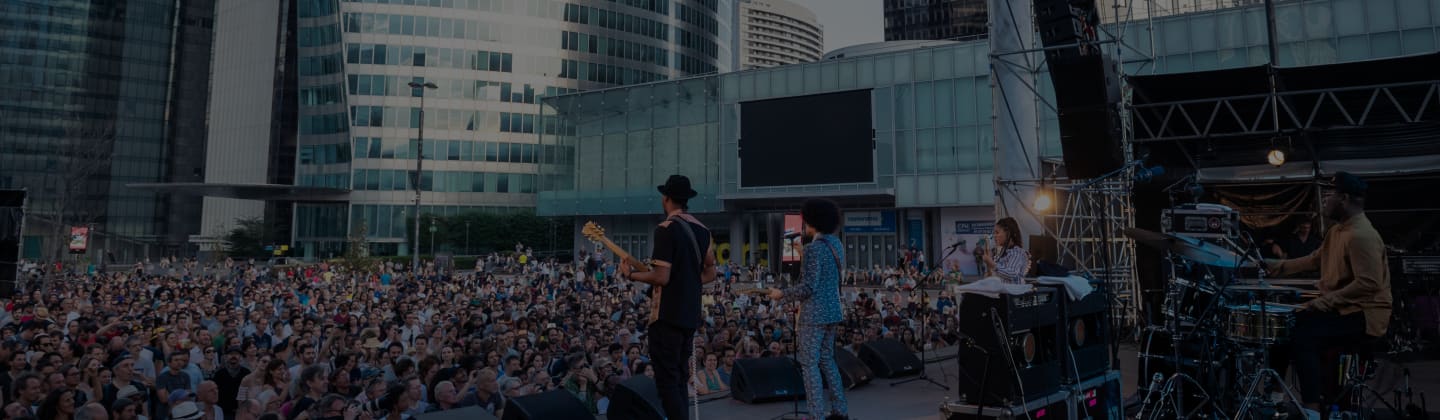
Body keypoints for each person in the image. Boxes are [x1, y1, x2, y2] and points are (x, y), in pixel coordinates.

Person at [1265, 172, 1391, 412]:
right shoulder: (1337, 231)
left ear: (1343, 199)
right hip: (1343, 309)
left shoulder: (1361, 235)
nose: (1324, 201)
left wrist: (1322, 303)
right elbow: (1314, 259)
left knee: (1304, 336)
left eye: (1328, 195)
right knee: (1283, 327)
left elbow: (1369, 283)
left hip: (1364, 314)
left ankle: (1311, 409)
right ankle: (1274, 398)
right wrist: (1274, 266)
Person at [618, 175, 718, 420]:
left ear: (666, 199)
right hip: (689, 315)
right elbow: (711, 271)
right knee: (680, 376)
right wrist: (686, 283)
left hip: (666, 315)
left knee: (667, 381)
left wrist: (631, 275)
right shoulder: (702, 229)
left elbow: (661, 277)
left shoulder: (665, 229)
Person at [766, 198, 849, 420]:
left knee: (809, 365)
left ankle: (816, 415)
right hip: (833, 311)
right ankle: (840, 411)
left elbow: (809, 286)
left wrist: (781, 294)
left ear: (813, 221)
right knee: (827, 360)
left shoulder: (814, 249)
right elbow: (826, 273)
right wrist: (803, 254)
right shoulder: (836, 245)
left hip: (814, 314)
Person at [981, 217, 1030, 284]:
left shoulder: (1017, 252)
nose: (994, 236)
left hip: (1012, 293)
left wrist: (991, 264)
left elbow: (1012, 273)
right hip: (1000, 292)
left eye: (997, 232)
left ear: (1008, 233)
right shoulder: (1001, 253)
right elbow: (996, 274)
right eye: (994, 233)